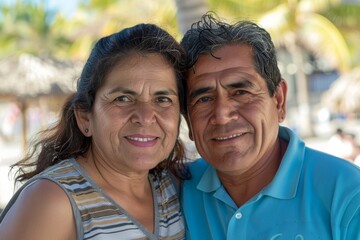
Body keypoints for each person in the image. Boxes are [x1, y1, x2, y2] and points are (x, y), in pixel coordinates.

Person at [180, 13, 360, 239]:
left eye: (241, 92)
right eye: (203, 99)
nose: (222, 114)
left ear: (279, 101)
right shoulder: (172, 193)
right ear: (187, 118)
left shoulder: (347, 194)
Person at [0, 23, 188, 240]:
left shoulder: (172, 187)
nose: (145, 116)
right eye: (123, 99)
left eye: (162, 99)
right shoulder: (54, 201)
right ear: (85, 117)